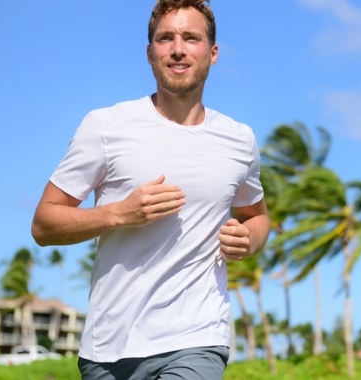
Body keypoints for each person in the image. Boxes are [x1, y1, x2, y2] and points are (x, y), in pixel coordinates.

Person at [31, 0, 269, 378]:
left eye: (191, 38)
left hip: (198, 340)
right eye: (165, 38)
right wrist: (119, 213)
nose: (178, 48)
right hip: (108, 349)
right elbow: (43, 224)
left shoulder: (239, 140)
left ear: (213, 52)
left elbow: (256, 216)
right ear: (149, 53)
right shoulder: (106, 127)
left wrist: (249, 239)